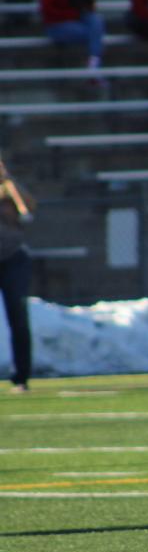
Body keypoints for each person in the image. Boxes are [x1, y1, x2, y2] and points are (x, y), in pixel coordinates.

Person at [0, 149, 35, 392]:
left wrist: (8, 180)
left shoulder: (8, 191)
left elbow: (28, 210)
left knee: (18, 316)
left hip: (12, 258)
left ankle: (20, 377)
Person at [39, 0, 104, 75]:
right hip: (57, 23)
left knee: (96, 21)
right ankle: (94, 63)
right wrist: (72, 14)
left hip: (78, 19)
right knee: (92, 34)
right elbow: (46, 9)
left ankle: (94, 60)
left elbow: (90, 6)